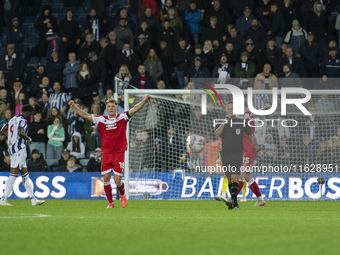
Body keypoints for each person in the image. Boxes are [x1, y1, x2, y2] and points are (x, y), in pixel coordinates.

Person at [68, 95, 151, 208]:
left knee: (117, 180)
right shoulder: (101, 119)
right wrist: (74, 107)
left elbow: (135, 109)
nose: (111, 108)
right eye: (109, 106)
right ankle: (110, 203)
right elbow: (86, 115)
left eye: (113, 106)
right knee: (106, 179)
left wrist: (145, 100)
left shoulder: (122, 117)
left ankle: (122, 195)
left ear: (116, 108)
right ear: (106, 109)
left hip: (119, 154)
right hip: (106, 154)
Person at [214, 101, 263, 210]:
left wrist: (265, 107)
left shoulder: (246, 116)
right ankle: (260, 199)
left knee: (239, 175)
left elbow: (255, 115)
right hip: (229, 152)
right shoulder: (227, 119)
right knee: (246, 176)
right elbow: (218, 131)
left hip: (245, 150)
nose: (231, 110)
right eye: (229, 108)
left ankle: (233, 199)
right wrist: (222, 106)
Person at [0, 105, 45, 206]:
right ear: (27, 112)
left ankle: (33, 199)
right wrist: (28, 139)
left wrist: (11, 138)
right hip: (19, 149)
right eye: (30, 114)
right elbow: (20, 132)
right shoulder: (23, 121)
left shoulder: (13, 119)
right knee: (14, 173)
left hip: (13, 149)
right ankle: (3, 199)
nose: (30, 116)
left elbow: (3, 130)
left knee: (25, 174)